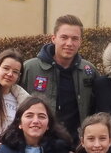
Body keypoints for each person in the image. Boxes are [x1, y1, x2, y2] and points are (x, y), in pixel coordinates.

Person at [22, 14, 95, 144]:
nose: (69, 43)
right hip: (39, 145)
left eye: (74, 38)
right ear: (54, 38)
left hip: (76, 147)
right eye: (64, 37)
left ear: (80, 42)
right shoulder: (29, 68)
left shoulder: (89, 71)